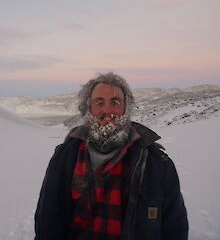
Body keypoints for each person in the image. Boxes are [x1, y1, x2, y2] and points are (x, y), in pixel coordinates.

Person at [34, 72, 188, 240]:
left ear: (125, 108)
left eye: (115, 102)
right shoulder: (66, 157)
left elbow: (175, 227)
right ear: (88, 109)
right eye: (99, 102)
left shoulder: (156, 163)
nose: (107, 110)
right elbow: (48, 221)